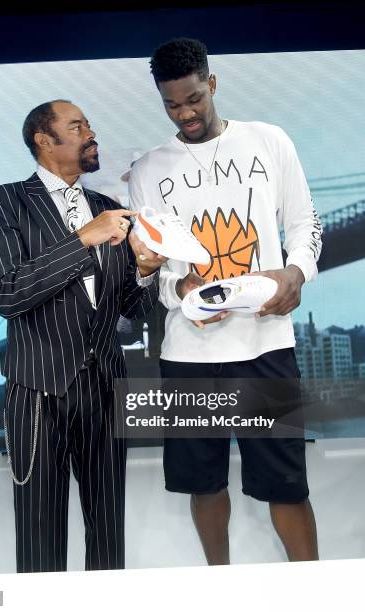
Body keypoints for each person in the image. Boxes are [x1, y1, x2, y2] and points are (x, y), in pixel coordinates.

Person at [128, 38, 323, 564]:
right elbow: (153, 274)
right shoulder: (147, 169)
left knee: (286, 485)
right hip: (189, 354)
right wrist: (180, 288)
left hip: (265, 346)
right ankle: (220, 585)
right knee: (203, 482)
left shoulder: (268, 141)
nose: (185, 113)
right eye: (172, 104)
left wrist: (295, 272)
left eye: (194, 98)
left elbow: (305, 224)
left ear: (211, 84)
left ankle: (316, 591)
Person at [0, 99, 164, 573]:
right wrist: (83, 240)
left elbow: (129, 309)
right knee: (39, 532)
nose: (90, 133)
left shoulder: (109, 209)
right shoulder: (0, 203)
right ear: (44, 140)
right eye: (77, 126)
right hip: (38, 392)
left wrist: (143, 272)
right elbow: (7, 293)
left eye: (88, 125)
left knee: (108, 529)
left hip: (104, 387)